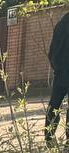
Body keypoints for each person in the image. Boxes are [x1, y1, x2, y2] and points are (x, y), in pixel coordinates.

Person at [46, 11, 69, 144]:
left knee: (54, 105)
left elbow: (51, 52)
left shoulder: (60, 25)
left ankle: (49, 137)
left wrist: (57, 68)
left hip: (60, 73)